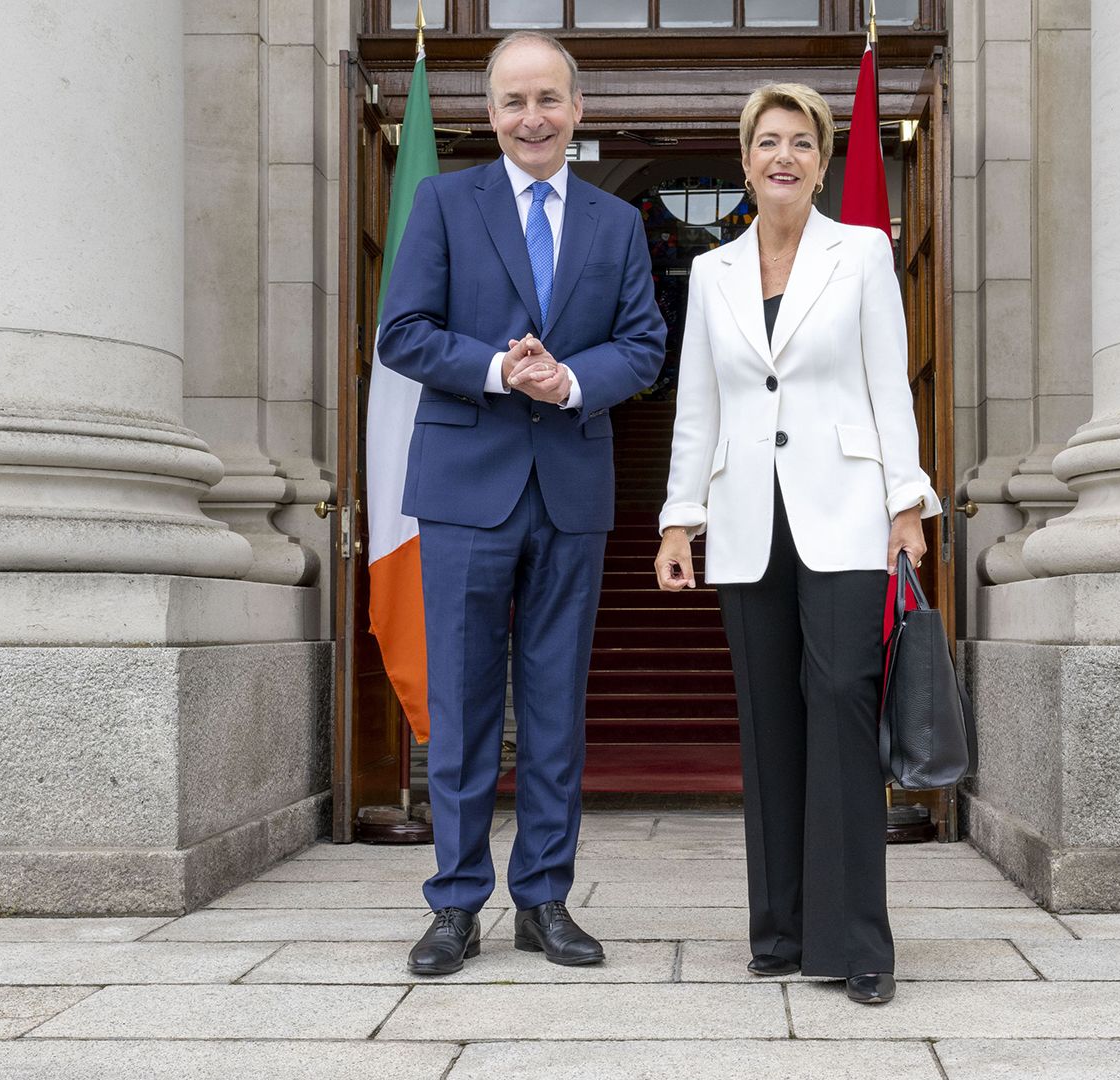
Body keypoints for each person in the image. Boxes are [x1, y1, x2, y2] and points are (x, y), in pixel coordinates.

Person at [379, 31, 667, 976]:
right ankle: (455, 906)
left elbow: (643, 345)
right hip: (466, 490)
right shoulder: (442, 202)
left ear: (577, 109)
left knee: (554, 708)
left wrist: (570, 383)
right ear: (490, 114)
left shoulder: (615, 223)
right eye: (513, 102)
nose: (532, 117)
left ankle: (544, 900)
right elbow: (404, 334)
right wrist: (501, 370)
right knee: (462, 708)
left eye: (548, 99)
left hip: (571, 491)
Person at [654, 83, 940, 1006]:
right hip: (745, 523)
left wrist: (908, 503)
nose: (784, 156)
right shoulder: (712, 273)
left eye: (802, 143)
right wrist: (677, 518)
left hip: (848, 512)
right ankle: (778, 932)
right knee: (768, 723)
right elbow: (698, 404)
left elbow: (887, 384)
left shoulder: (861, 254)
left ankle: (859, 942)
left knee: (844, 703)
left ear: (823, 162)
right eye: (767, 142)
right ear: (745, 163)